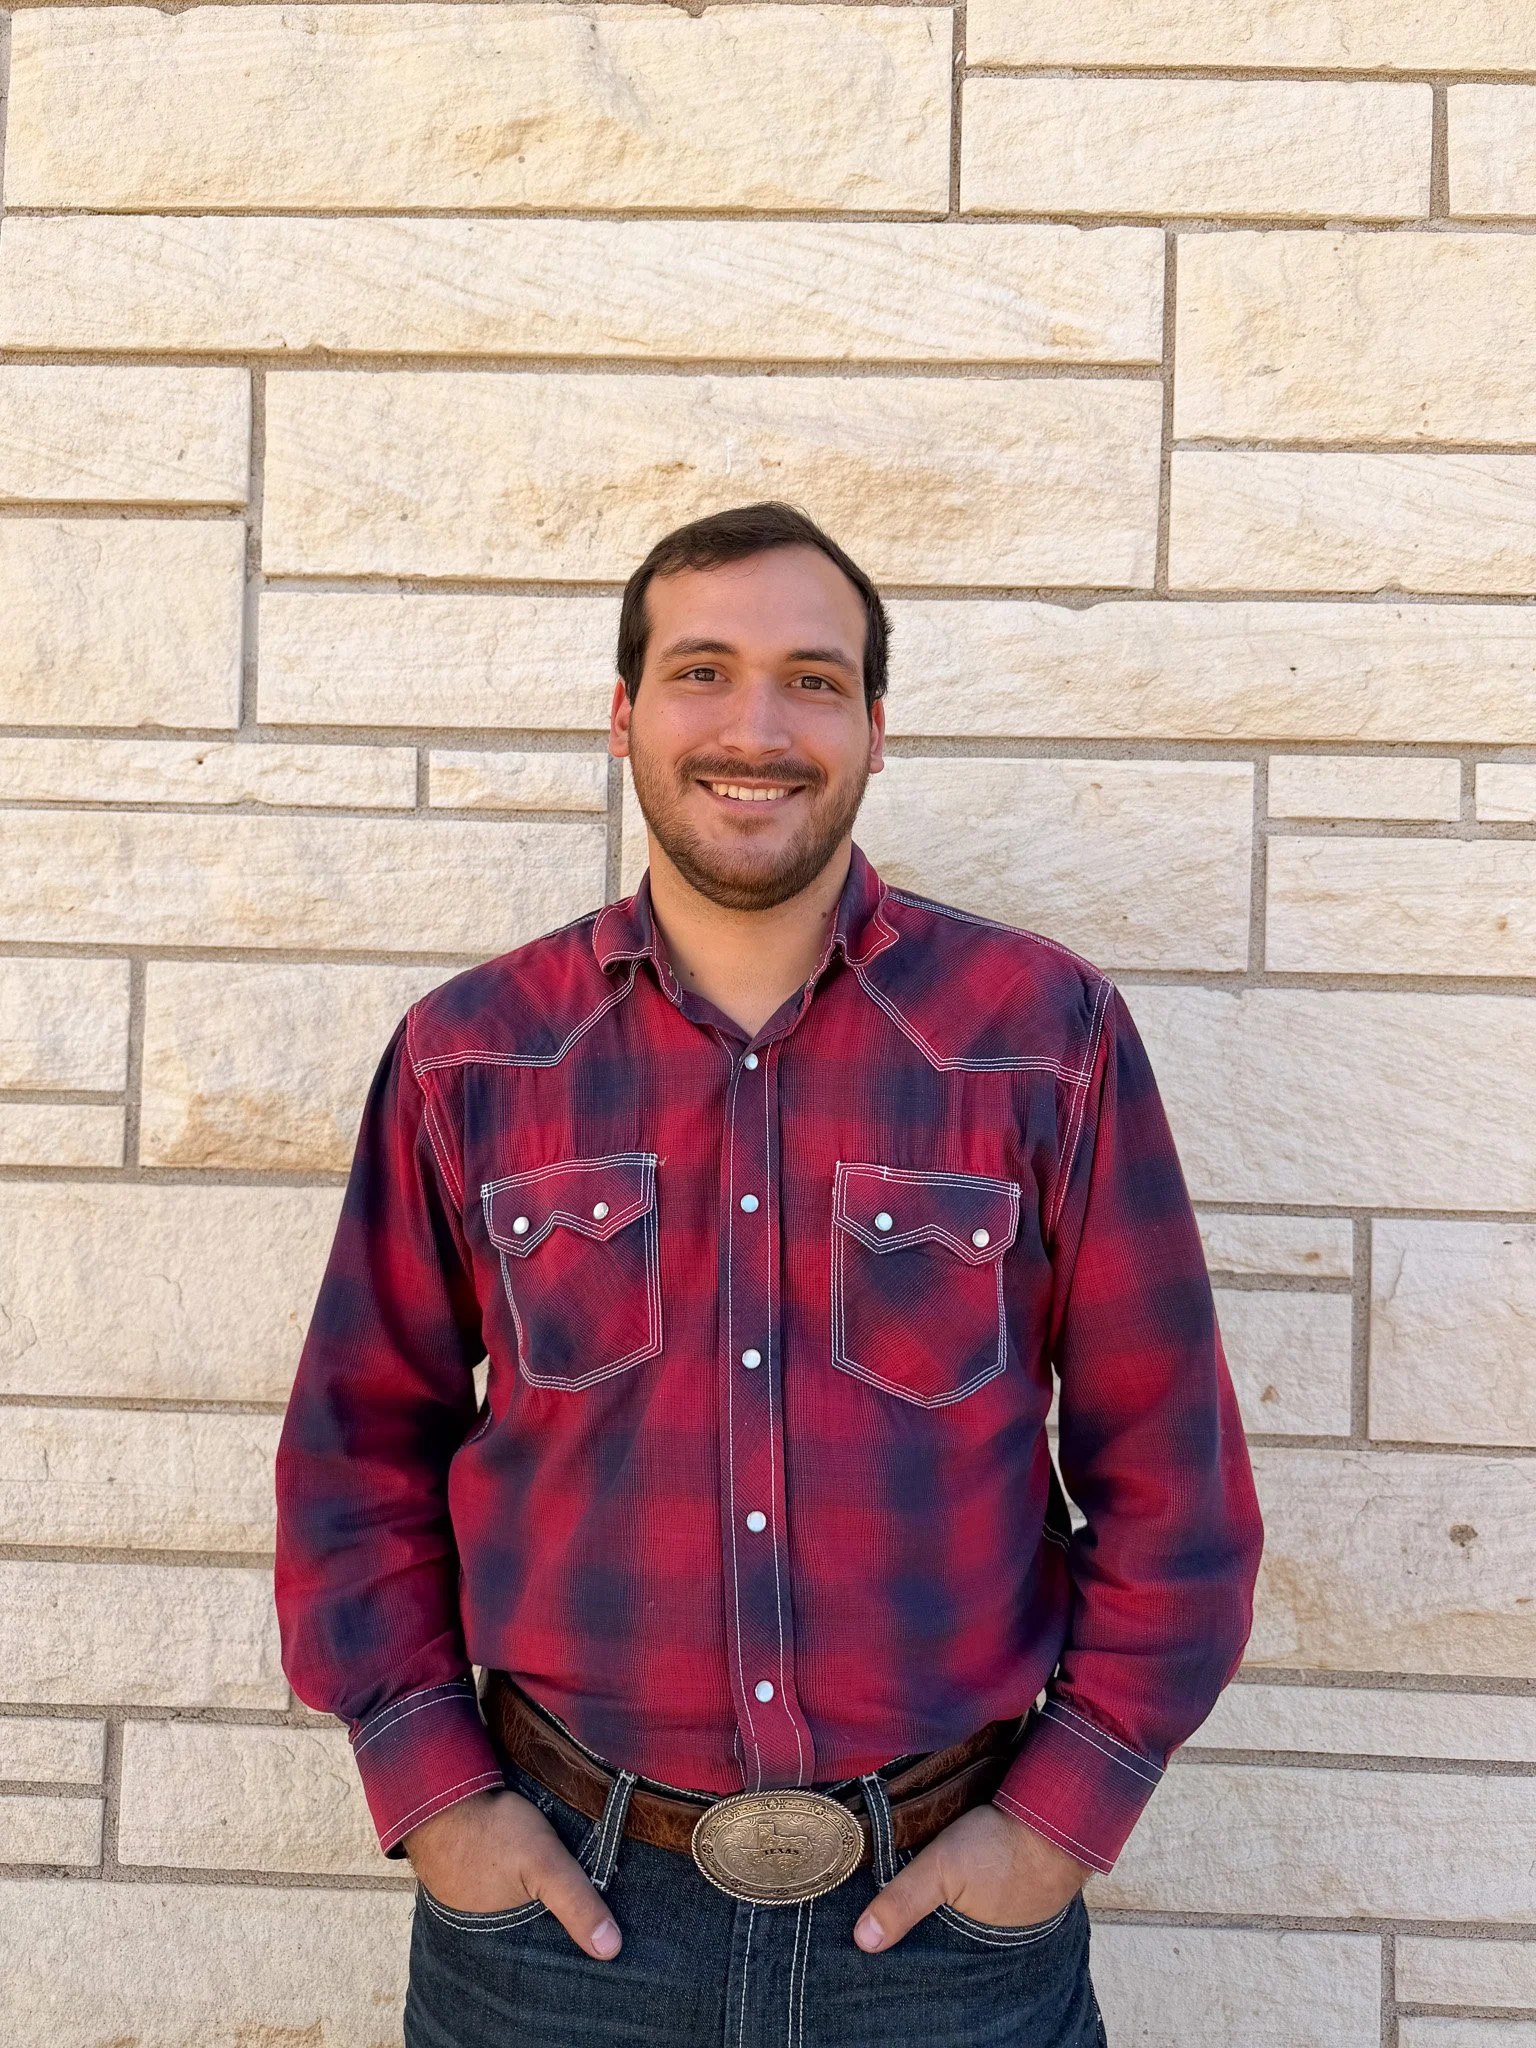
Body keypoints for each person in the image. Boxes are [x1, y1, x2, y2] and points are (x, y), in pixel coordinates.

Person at [274, 501, 1263, 2047]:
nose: (756, 727)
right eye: (702, 672)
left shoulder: (1042, 1041)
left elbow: (1172, 1476)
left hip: (947, 1935)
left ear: (875, 728)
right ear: (623, 716)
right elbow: (357, 1454)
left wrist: (1056, 1826)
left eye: (813, 680)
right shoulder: (473, 1058)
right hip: (554, 1934)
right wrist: (440, 1796)